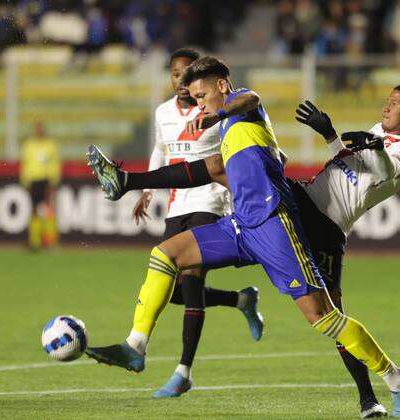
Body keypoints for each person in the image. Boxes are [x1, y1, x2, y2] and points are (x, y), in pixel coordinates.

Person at [85, 57, 400, 417]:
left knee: (325, 315)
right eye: (195, 99)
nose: (199, 105)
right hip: (252, 218)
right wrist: (329, 135)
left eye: (202, 96)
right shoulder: (230, 129)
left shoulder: (240, 105)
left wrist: (217, 117)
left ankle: (396, 380)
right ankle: (136, 345)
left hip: (282, 220)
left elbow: (251, 99)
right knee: (167, 252)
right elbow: (345, 166)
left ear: (223, 87)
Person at [132, 47, 264, 398]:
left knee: (190, 284)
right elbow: (161, 149)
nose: (180, 79)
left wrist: (215, 114)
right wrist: (146, 188)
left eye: (187, 73)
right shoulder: (163, 113)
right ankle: (241, 300)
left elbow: (241, 122)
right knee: (174, 291)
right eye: (175, 74)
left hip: (210, 200)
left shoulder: (217, 107)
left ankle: (183, 370)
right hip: (177, 204)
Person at [19, 121, 61, 251]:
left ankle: (50, 242)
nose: (38, 132)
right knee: (34, 210)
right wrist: (25, 180)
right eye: (36, 129)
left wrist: (54, 180)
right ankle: (34, 242)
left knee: (48, 210)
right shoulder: (28, 146)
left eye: (40, 129)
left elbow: (55, 164)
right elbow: (25, 164)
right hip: (33, 180)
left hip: (46, 180)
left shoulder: (51, 145)